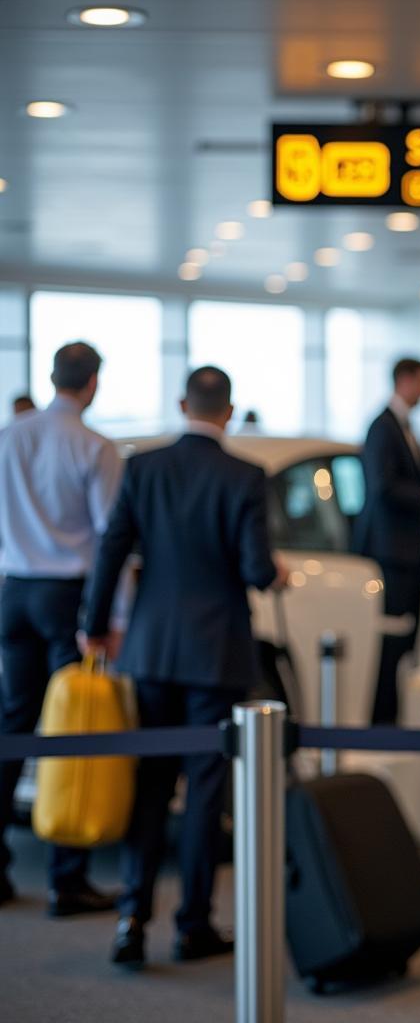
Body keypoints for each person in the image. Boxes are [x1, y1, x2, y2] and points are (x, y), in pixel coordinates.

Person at [82, 365, 288, 969]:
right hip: (215, 653)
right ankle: (192, 925)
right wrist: (276, 574)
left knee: (148, 788)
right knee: (204, 793)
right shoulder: (244, 475)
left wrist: (95, 626)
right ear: (228, 411)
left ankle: (130, 920)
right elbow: (255, 570)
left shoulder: (143, 468)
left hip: (150, 650)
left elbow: (112, 548)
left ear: (182, 404)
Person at [0, 342, 121, 915]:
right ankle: (65, 880)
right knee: (70, 731)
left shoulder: (11, 435)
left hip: (14, 591)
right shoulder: (94, 446)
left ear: (52, 378)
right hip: (67, 598)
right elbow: (109, 538)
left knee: (13, 725)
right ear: (92, 383)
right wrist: (110, 619)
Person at [353, 358, 420, 724]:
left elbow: (412, 471)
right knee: (391, 642)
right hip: (390, 553)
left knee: (407, 641)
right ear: (406, 381)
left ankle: (395, 715)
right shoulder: (382, 427)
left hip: (407, 551)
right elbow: (384, 488)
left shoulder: (403, 426)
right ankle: (382, 721)